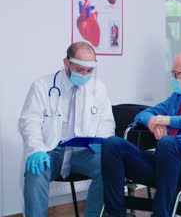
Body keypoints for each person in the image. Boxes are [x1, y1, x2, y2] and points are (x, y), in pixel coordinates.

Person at [101, 51, 181, 217]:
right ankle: (115, 213)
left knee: (168, 143)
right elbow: (143, 114)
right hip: (163, 162)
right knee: (112, 144)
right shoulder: (176, 98)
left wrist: (170, 120)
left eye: (175, 74)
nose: (173, 78)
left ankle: (161, 214)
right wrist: (151, 122)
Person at [19, 42, 115, 217]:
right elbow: (29, 122)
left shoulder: (98, 88)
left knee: (109, 166)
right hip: (51, 150)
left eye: (89, 70)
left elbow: (106, 123)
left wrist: (100, 142)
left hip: (83, 151)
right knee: (36, 171)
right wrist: (36, 150)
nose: (85, 75)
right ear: (66, 62)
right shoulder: (42, 85)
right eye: (80, 69)